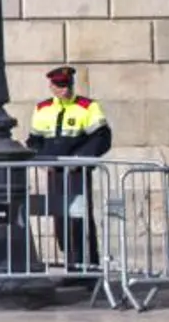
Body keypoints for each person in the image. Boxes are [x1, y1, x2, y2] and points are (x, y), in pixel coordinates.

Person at [29, 65, 111, 272]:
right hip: (54, 171)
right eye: (59, 85)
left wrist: (79, 160)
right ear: (51, 86)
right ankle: (72, 265)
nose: (64, 89)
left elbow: (101, 138)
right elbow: (34, 141)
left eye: (67, 85)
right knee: (61, 220)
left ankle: (88, 266)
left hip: (77, 171)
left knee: (80, 218)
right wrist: (43, 161)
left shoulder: (88, 106)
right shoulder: (42, 108)